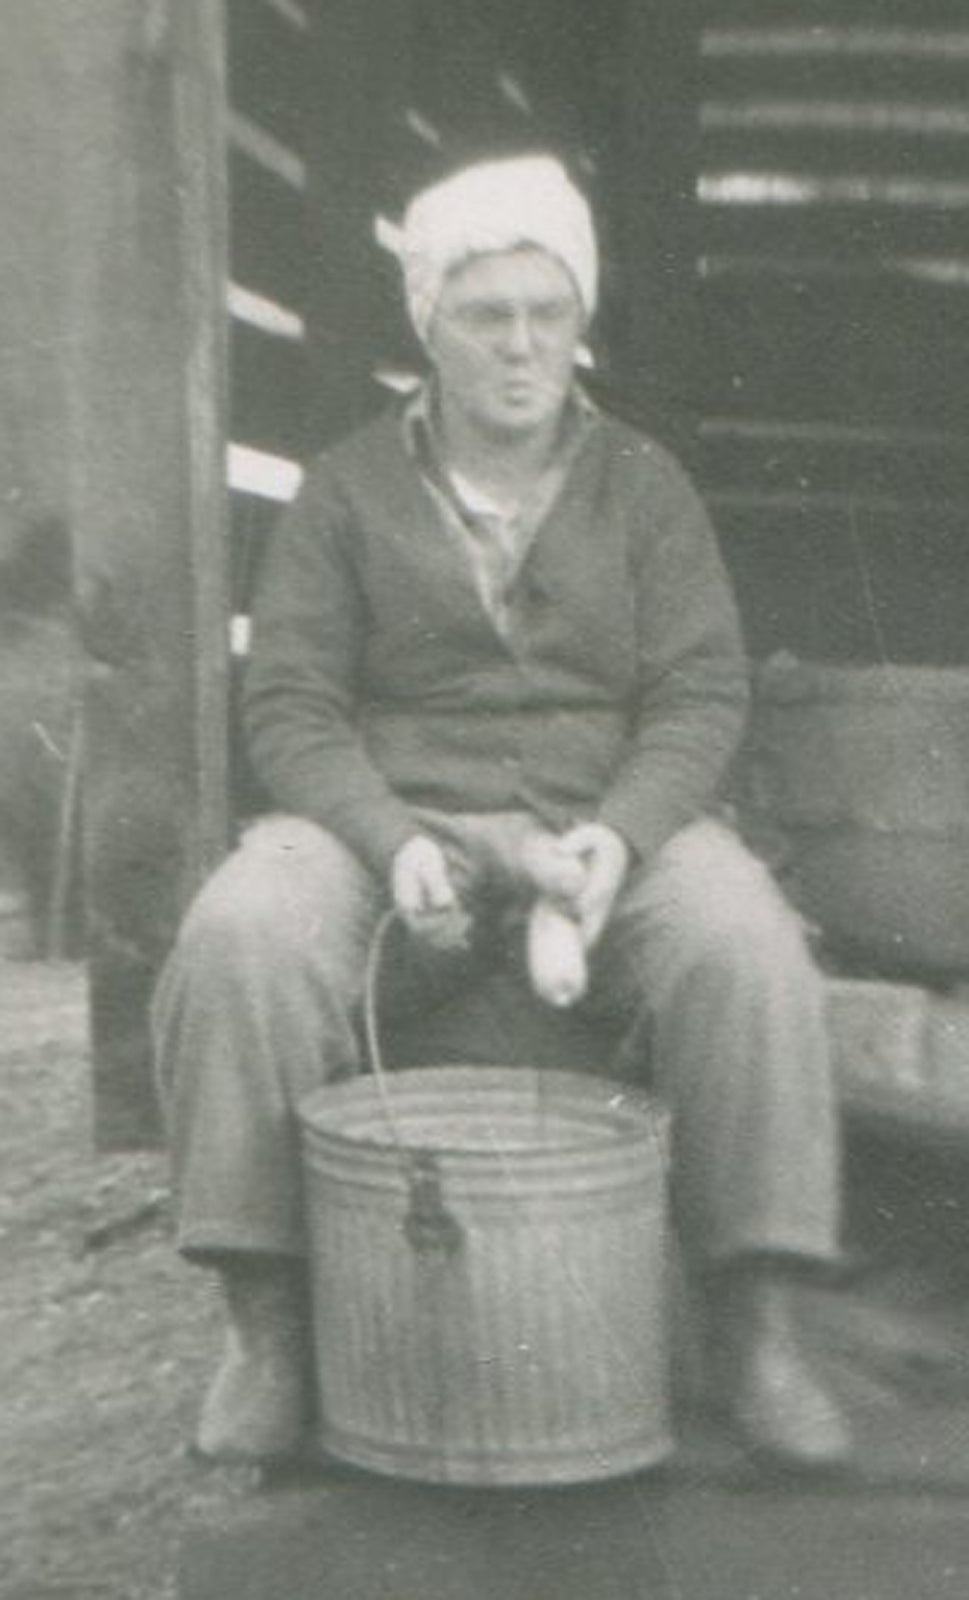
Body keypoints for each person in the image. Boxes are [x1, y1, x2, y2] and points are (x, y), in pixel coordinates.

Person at [152, 154, 851, 1472]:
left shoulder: (642, 487)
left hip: (599, 828)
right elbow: (292, 707)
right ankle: (268, 1332)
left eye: (548, 310)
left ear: (579, 318)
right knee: (242, 933)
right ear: (428, 321)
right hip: (397, 826)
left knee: (744, 945)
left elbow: (697, 696)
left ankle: (758, 1332)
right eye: (486, 315)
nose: (522, 345)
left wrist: (624, 836)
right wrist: (388, 838)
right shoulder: (346, 489)